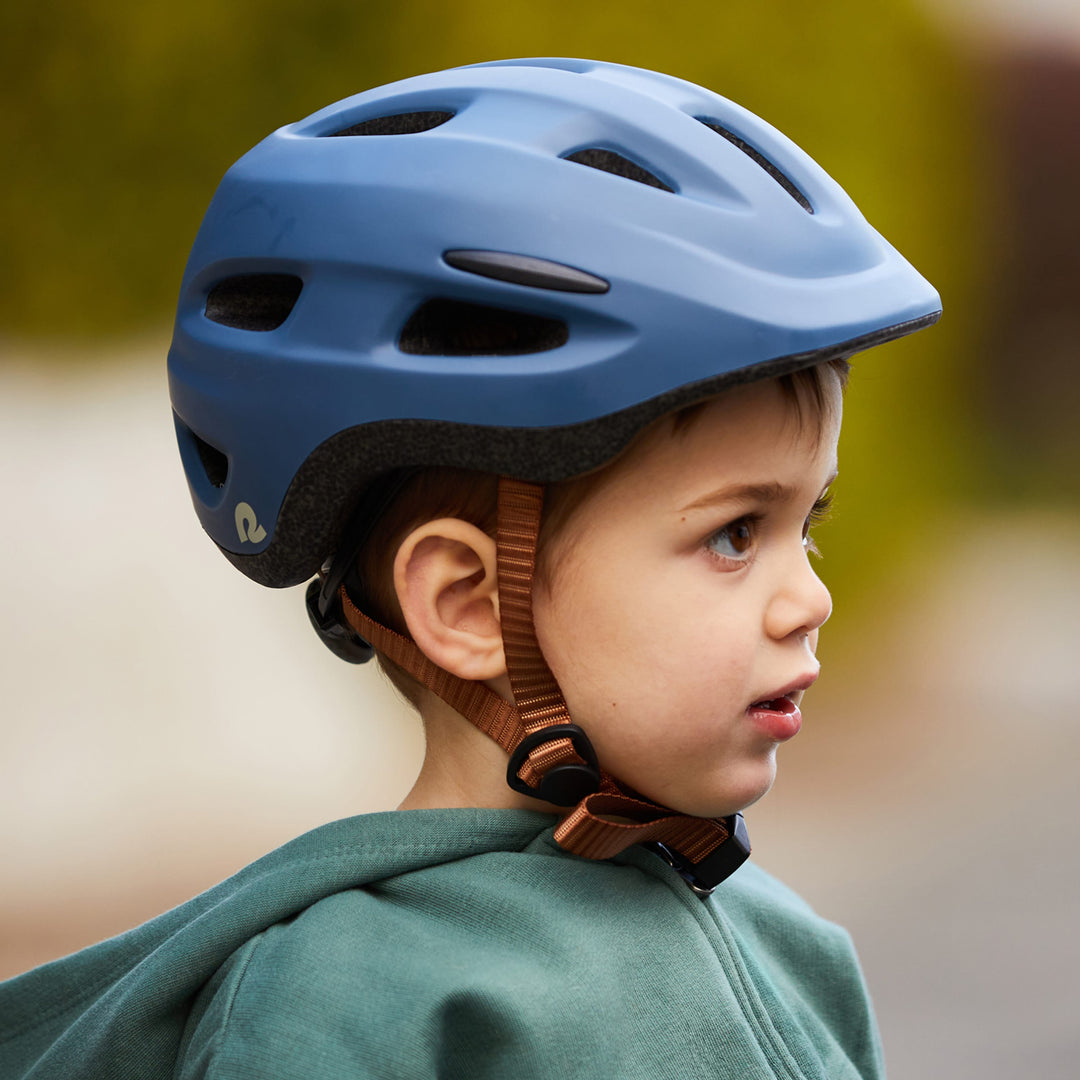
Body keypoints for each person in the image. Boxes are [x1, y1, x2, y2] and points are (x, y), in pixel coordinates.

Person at [0, 58, 940, 1079]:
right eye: (733, 535)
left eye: (810, 523)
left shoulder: (791, 947)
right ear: (468, 603)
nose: (811, 598)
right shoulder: (350, 1005)